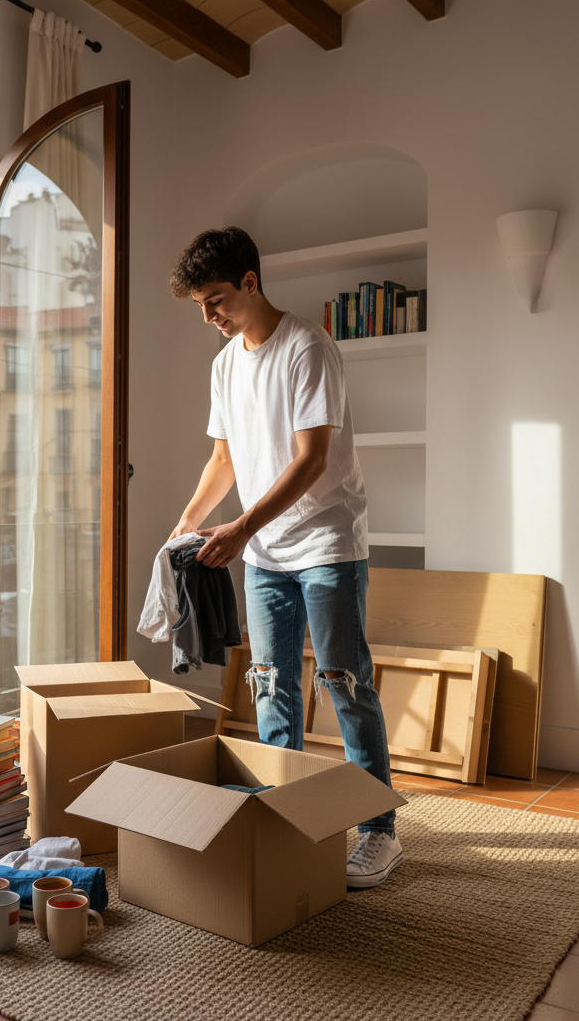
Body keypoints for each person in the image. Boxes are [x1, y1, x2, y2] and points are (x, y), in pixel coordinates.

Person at [167, 226, 401, 888]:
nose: (209, 316)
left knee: (344, 682)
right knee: (271, 685)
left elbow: (312, 459)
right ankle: (283, 813)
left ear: (250, 281)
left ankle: (379, 832)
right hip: (265, 551)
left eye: (216, 300)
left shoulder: (308, 347)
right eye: (199, 307)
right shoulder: (224, 364)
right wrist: (188, 523)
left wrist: (239, 528)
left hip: (326, 541)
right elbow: (225, 459)